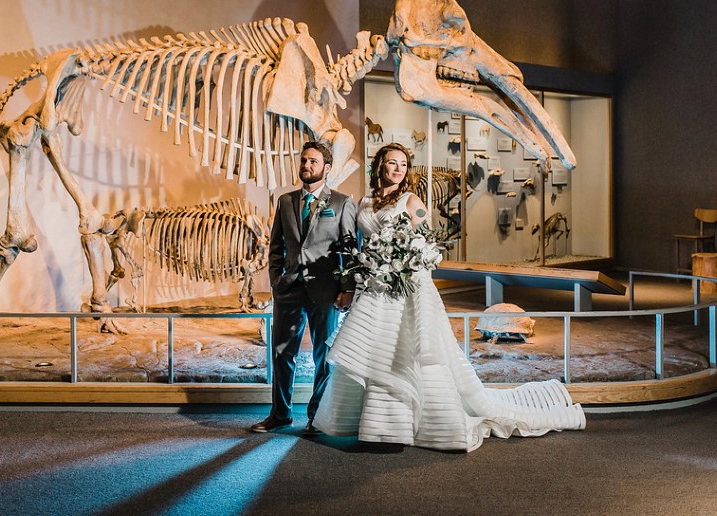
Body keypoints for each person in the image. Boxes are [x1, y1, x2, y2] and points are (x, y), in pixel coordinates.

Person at [312, 143, 585, 451]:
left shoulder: (411, 201)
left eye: (403, 164)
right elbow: (360, 245)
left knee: (399, 353)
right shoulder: (363, 203)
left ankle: (398, 427)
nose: (398, 169)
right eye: (392, 163)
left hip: (402, 288)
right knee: (372, 352)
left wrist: (403, 264)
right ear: (379, 167)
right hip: (373, 288)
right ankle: (371, 426)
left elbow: (427, 244)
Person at [250, 141, 358, 435]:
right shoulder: (285, 201)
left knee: (324, 354)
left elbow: (349, 249)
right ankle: (280, 415)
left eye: (313, 161)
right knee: (282, 353)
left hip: (325, 291)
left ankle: (316, 418)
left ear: (326, 168)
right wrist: (276, 279)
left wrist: (347, 288)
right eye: (303, 161)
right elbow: (276, 246)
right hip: (288, 289)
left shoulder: (341, 203)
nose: (306, 166)